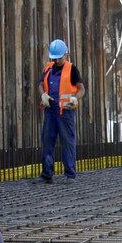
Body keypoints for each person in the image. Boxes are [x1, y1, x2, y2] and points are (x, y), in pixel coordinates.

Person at [37, 39, 86, 184]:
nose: (57, 60)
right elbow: (40, 84)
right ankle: (47, 174)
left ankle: (70, 175)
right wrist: (43, 95)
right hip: (50, 111)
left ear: (66, 54)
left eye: (59, 57)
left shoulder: (72, 69)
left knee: (67, 142)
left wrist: (75, 98)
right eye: (54, 57)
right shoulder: (48, 68)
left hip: (65, 111)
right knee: (47, 141)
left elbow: (81, 88)